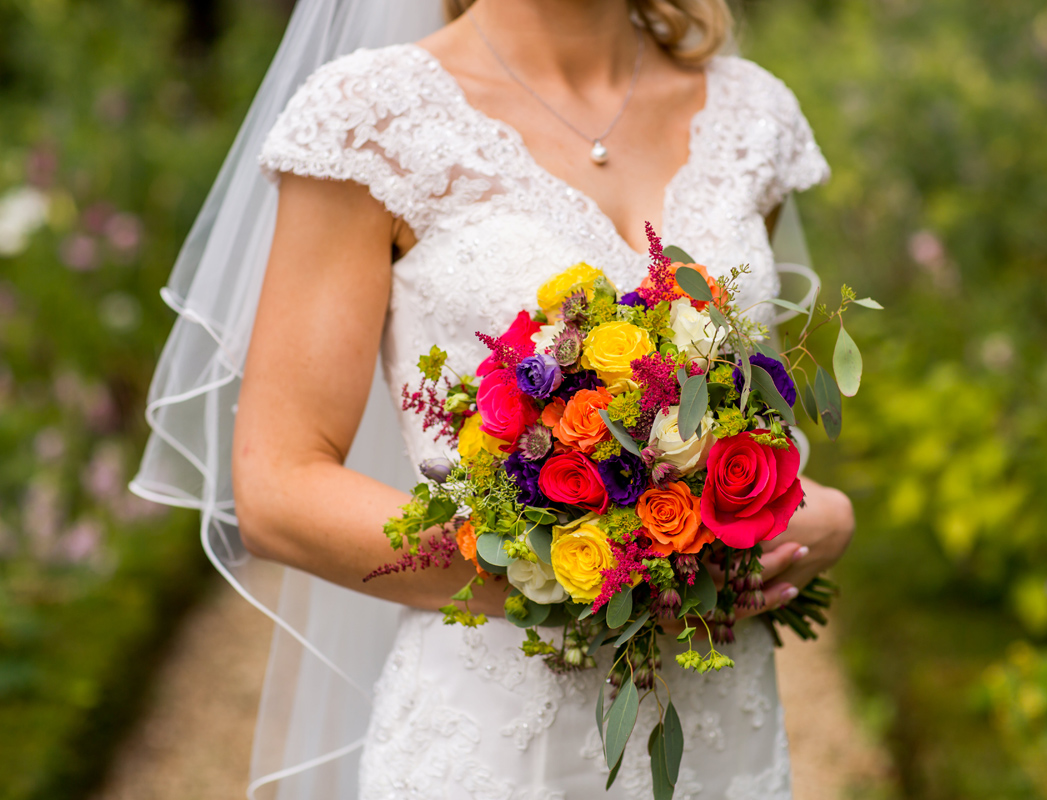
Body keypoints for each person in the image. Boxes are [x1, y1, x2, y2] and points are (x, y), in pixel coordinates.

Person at [134, 0, 853, 797]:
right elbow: (277, 486)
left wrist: (799, 512)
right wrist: (591, 567)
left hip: (721, 734)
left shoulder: (749, 114)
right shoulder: (371, 120)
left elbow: (739, 410)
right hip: (498, 740)